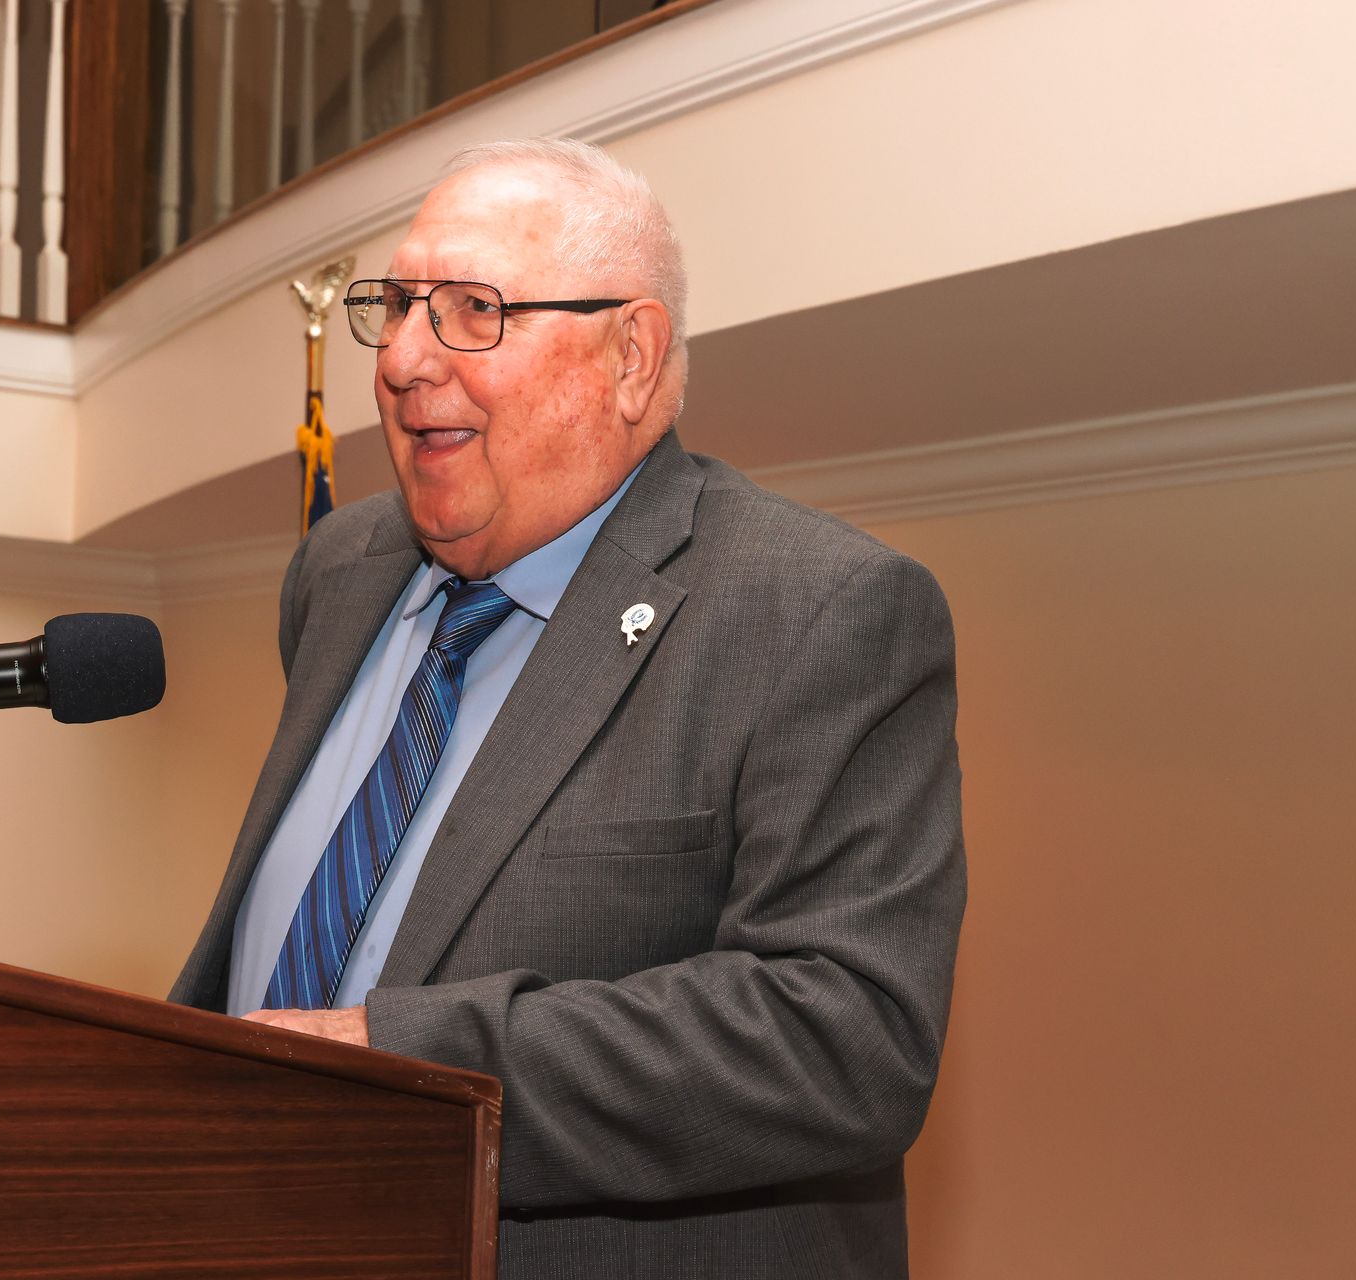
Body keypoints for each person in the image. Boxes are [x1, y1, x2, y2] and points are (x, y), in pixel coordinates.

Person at [170, 138, 965, 1279]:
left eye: (470, 309)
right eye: (394, 306)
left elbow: (845, 1034)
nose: (399, 359)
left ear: (631, 355)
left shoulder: (818, 613)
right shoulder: (340, 573)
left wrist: (394, 1060)